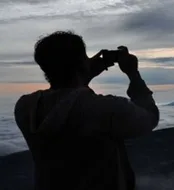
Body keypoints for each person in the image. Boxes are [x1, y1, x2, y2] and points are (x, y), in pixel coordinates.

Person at [14, 31, 159, 190]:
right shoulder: (107, 109)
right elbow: (150, 117)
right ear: (82, 63)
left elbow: (67, 97)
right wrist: (133, 73)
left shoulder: (25, 108)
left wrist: (83, 72)